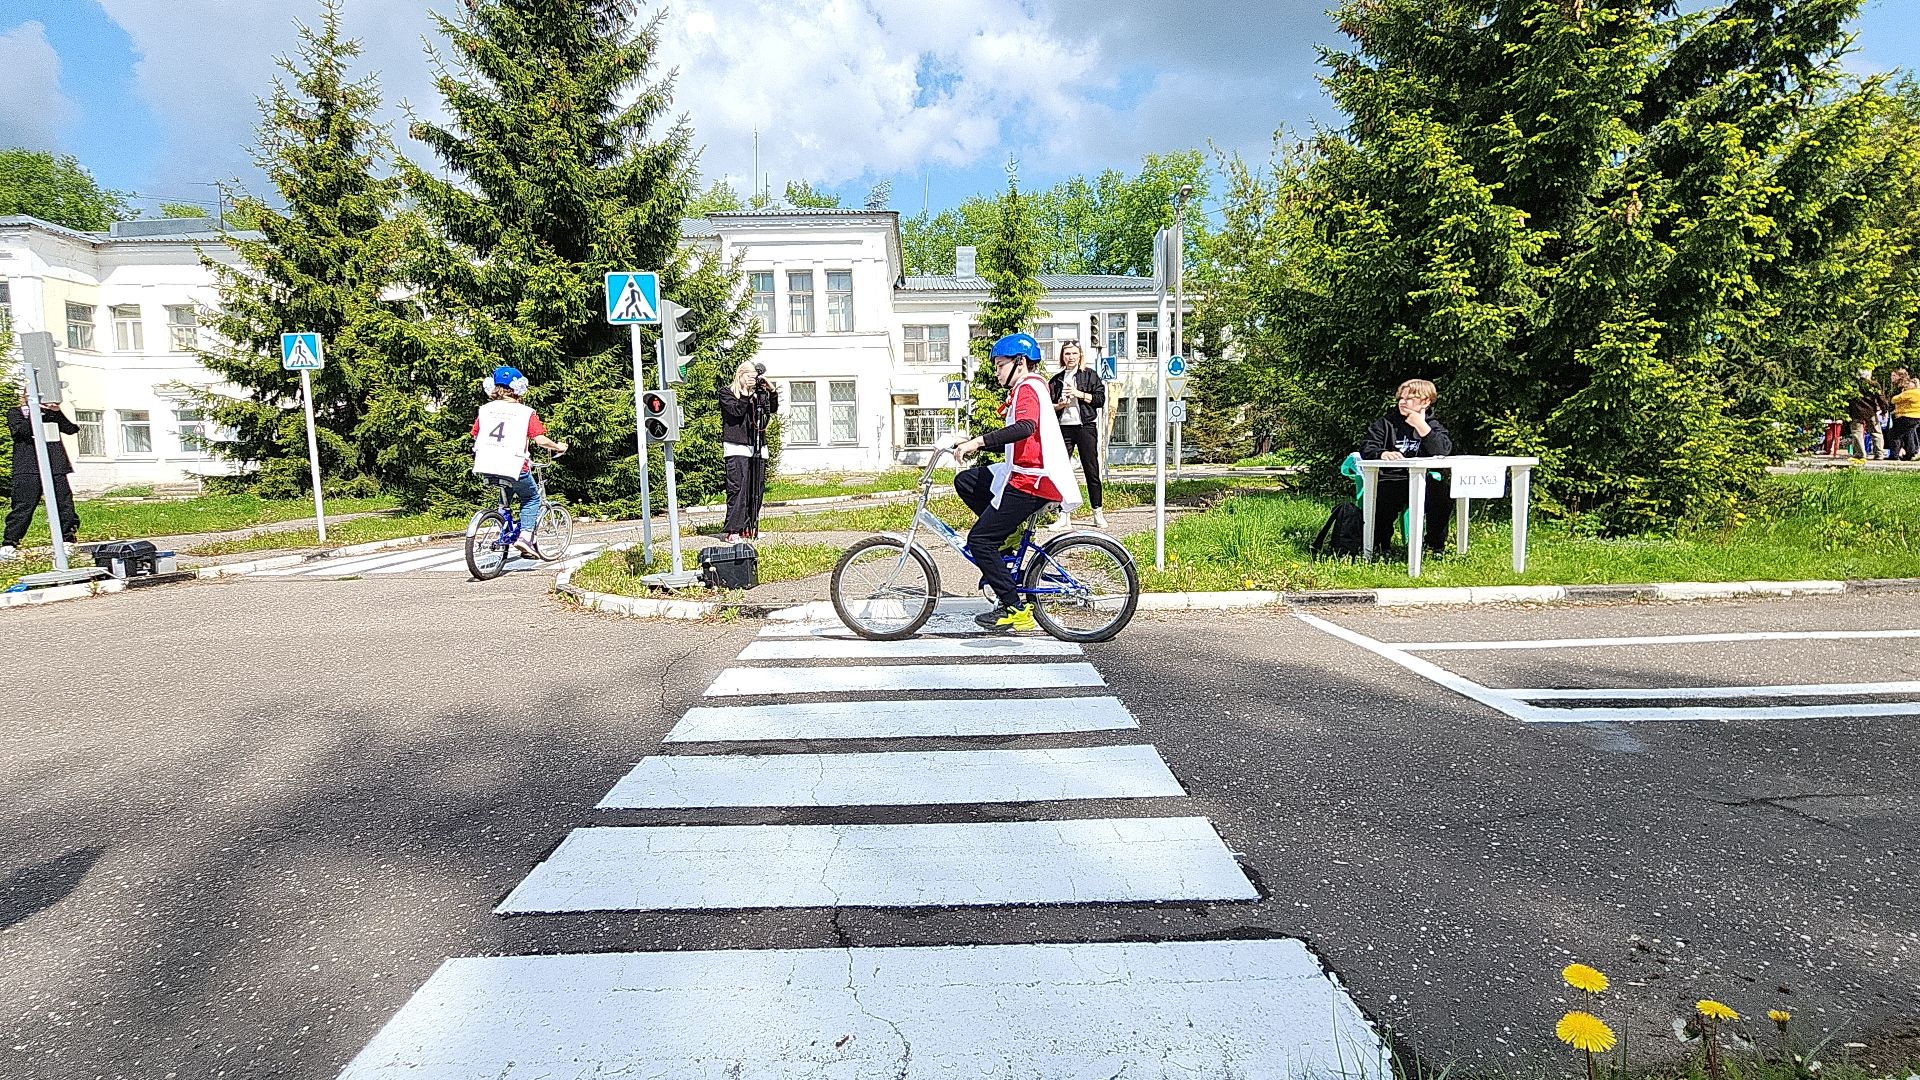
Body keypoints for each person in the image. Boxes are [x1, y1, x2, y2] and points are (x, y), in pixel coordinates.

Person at [951, 333, 1081, 633]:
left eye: (999, 365)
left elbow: (1025, 428)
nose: (996, 372)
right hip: (1022, 473)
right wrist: (972, 443)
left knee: (979, 542)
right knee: (967, 481)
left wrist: (977, 442)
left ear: (1019, 362)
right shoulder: (1028, 388)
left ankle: (1015, 607)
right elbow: (1015, 442)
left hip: (1032, 481)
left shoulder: (1029, 387)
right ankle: (1008, 534)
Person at [470, 366, 566, 559]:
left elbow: (475, 434)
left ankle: (502, 525)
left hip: (486, 465)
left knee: (506, 493)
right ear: (518, 388)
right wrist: (558, 447)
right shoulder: (525, 412)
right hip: (513, 465)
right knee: (531, 498)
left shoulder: (485, 410)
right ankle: (525, 537)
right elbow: (539, 439)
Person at [1362, 378, 1453, 556]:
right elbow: (1367, 447)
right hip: (1394, 478)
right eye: (1400, 399)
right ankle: (1381, 547)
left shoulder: (1432, 425)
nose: (1403, 402)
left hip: (1424, 479)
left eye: (1409, 399)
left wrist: (1421, 426)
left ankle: (1434, 546)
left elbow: (1443, 450)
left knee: (1443, 497)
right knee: (1384, 499)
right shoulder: (1386, 423)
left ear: (1425, 402)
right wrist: (1382, 454)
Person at [2, 389, 82, 562]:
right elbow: (21, 432)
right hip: (28, 467)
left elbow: (71, 429)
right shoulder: (16, 414)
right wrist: (32, 412)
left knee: (64, 504)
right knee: (23, 506)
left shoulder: (51, 414)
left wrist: (55, 412)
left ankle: (67, 540)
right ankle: (9, 544)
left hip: (55, 466)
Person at [1048, 340, 1107, 530]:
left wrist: (1078, 394)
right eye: (1067, 354)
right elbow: (1049, 407)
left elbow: (1100, 399)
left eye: (1074, 353)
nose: (1070, 357)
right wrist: (1061, 404)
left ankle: (1097, 511)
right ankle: (1063, 515)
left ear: (1080, 355)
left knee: (1091, 469)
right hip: (1063, 428)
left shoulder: (1089, 375)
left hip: (1085, 427)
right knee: (1061, 472)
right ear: (1062, 357)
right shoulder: (1056, 380)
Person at [719, 359, 779, 542]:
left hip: (758, 446)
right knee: (738, 488)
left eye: (755, 377)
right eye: (750, 377)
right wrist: (745, 393)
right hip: (736, 446)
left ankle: (749, 527)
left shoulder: (757, 395)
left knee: (755, 489)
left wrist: (771, 392)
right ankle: (733, 530)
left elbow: (772, 410)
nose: (753, 380)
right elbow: (736, 412)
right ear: (741, 375)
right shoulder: (727, 393)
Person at [1846, 367, 1888, 461]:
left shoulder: (1853, 385)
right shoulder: (1874, 384)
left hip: (1856, 411)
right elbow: (1881, 398)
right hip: (1870, 411)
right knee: (1876, 432)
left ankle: (1860, 454)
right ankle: (1879, 454)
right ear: (1869, 374)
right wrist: (1884, 410)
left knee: (1857, 433)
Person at [1890, 368, 1920, 462]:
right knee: (1909, 434)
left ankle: (1895, 455)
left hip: (1906, 416)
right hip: (1917, 417)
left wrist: (1903, 393)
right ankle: (1911, 453)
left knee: (1894, 435)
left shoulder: (1908, 393)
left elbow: (1894, 399)